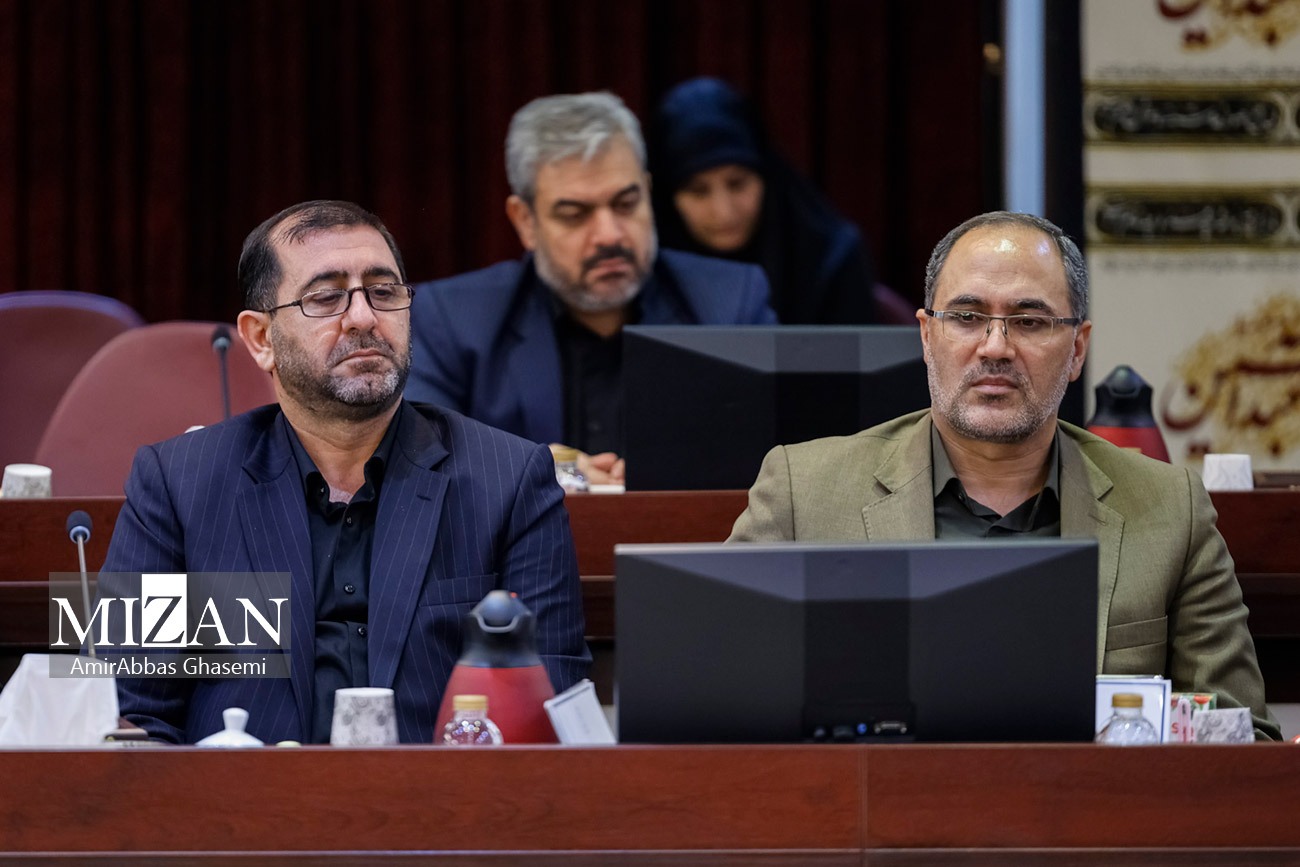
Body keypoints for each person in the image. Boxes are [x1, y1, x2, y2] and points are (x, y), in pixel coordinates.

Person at [728, 210, 1281, 741]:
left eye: (1029, 321)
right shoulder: (804, 492)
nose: (995, 347)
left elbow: (1241, 736)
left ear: (1077, 349)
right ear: (926, 337)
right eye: (967, 317)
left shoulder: (1171, 507)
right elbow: (720, 708)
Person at [98, 200, 590, 745]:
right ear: (261, 338)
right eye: (326, 297)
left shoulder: (511, 479)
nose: (363, 317)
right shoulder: (175, 485)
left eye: (383, 291)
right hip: (241, 795)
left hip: (439, 798)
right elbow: (125, 712)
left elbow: (553, 710)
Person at [405, 91, 776, 485]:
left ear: (648, 192)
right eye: (575, 215)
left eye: (626, 204)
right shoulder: (452, 320)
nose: (609, 235)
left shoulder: (729, 303)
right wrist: (547, 473)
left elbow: (777, 457)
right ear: (525, 220)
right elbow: (417, 459)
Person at [651, 76, 877, 325]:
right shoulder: (646, 268)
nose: (724, 212)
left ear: (766, 175)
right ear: (667, 196)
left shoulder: (830, 257)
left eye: (737, 184)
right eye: (698, 191)